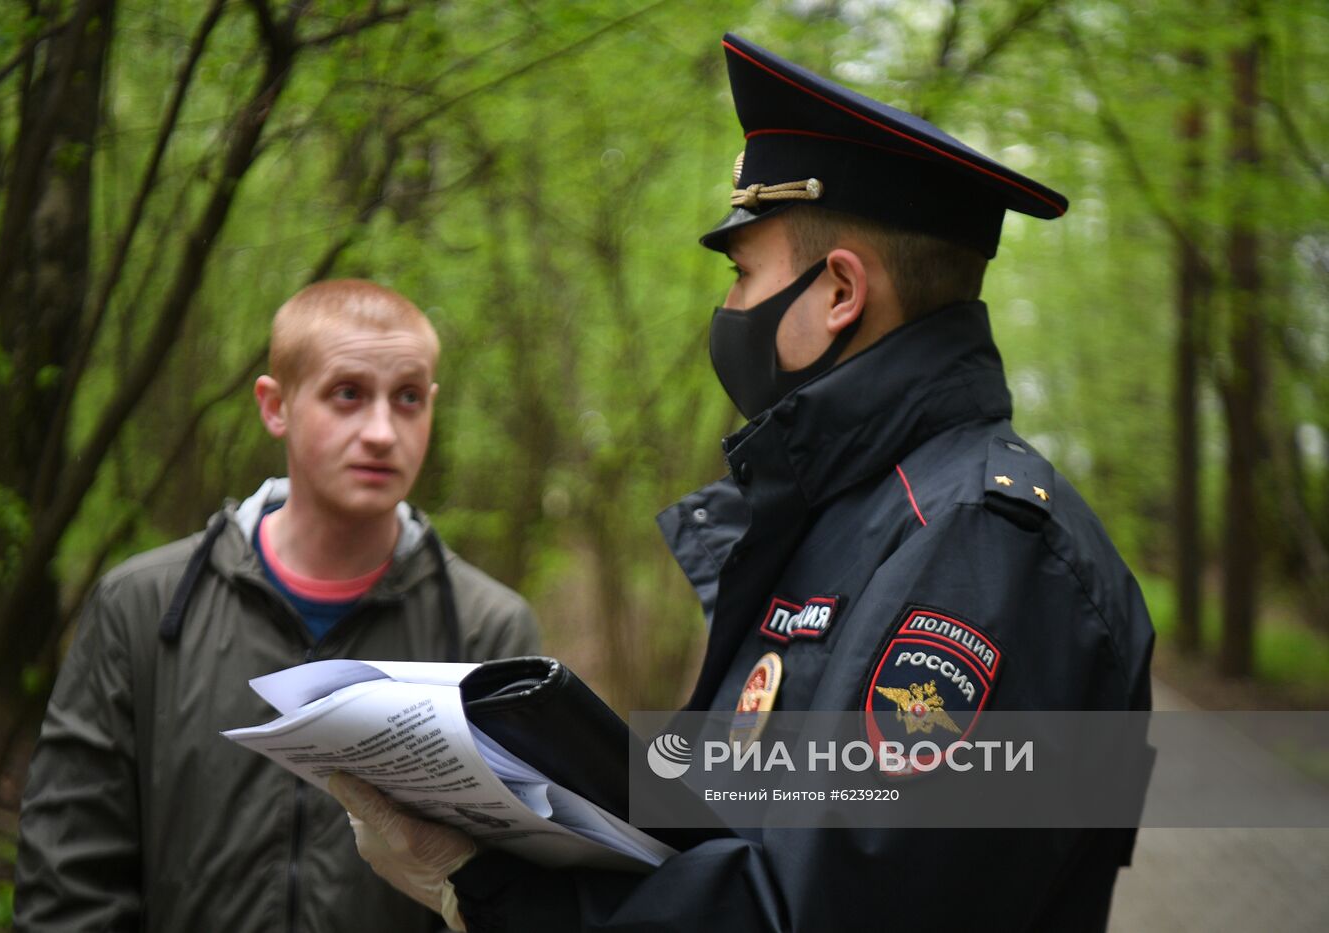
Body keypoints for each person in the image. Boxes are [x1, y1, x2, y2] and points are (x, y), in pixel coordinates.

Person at [328, 34, 1155, 933]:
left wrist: (488, 889)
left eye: (743, 275)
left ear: (840, 291)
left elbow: (825, 911)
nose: (729, 312)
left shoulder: (983, 549)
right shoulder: (852, 510)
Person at [13, 279, 541, 932]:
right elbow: (70, 879)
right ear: (275, 405)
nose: (381, 431)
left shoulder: (490, 627)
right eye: (347, 394)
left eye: (407, 398)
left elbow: (521, 892)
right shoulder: (141, 607)